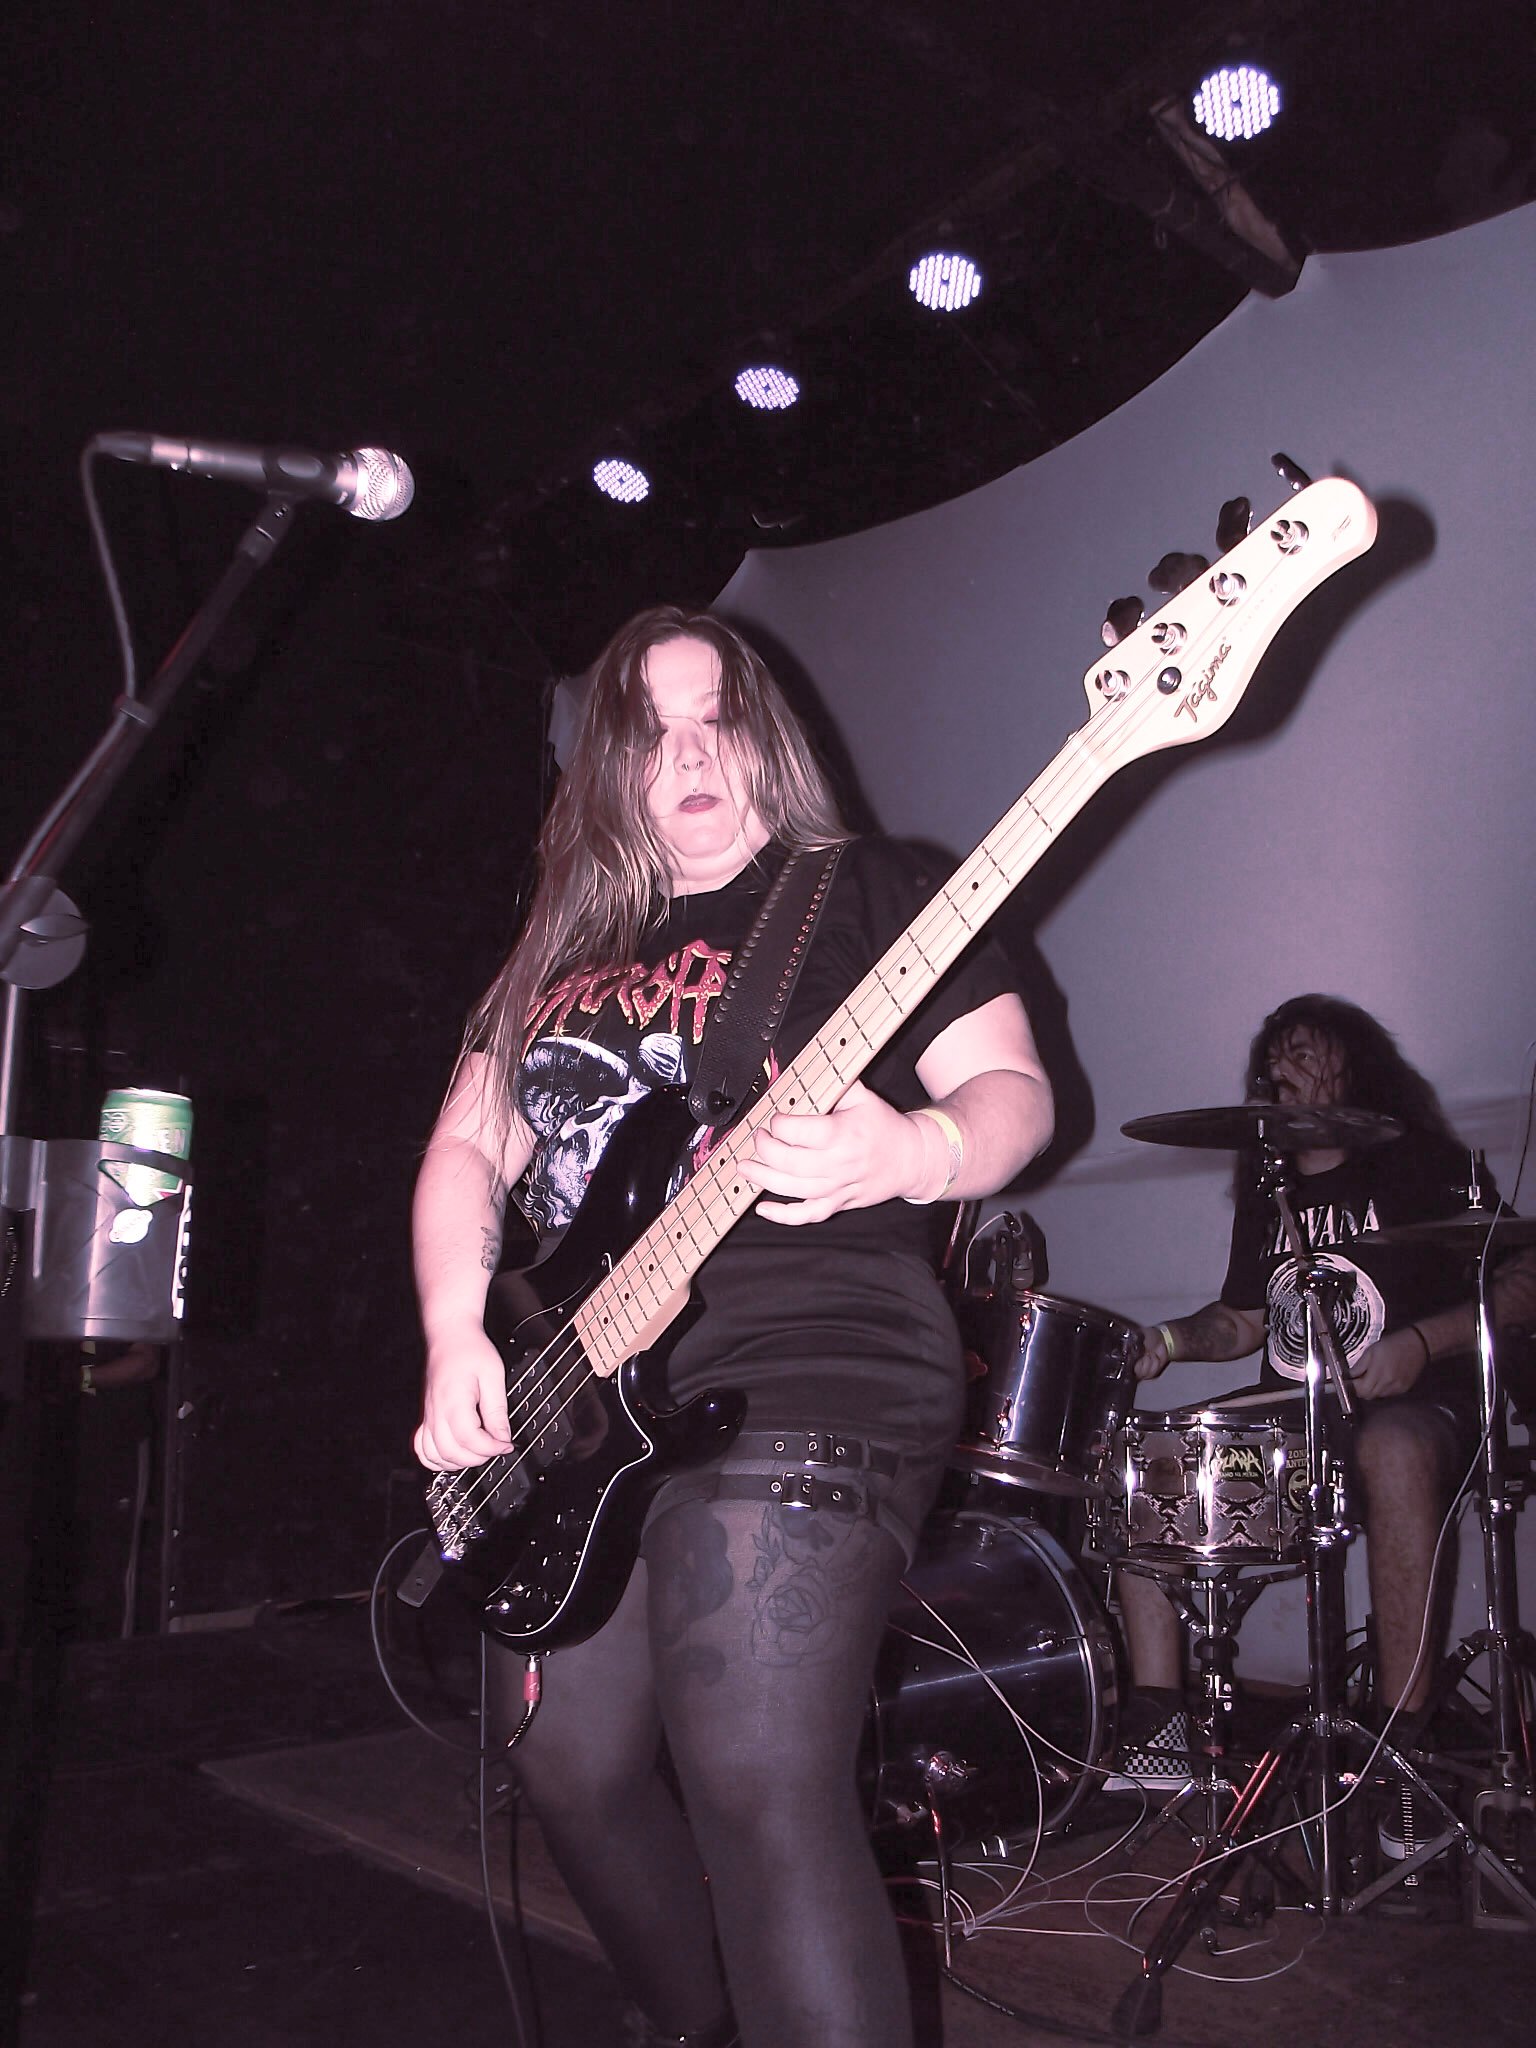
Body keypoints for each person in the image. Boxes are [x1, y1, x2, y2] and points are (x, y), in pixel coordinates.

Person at [411, 606, 1054, 2048]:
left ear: (769, 738)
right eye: (655, 734)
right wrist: (458, 1327)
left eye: (718, 720)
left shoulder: (874, 887)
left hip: (812, 1352)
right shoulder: (561, 945)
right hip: (586, 1392)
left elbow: (1014, 1089)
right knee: (565, 1761)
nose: (691, 754)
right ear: (609, 768)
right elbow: (466, 1147)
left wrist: (919, 1150)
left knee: (757, 1775)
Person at [1112, 995, 1536, 1797]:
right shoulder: (1269, 1193)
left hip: (1420, 1409)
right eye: (1272, 1060)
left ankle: (1401, 1746)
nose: (1280, 1072)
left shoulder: (1423, 1165)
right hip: (1299, 1421)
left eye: (1303, 1054)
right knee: (1155, 1450)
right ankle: (1161, 1727)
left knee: (1390, 1445)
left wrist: (1421, 1343)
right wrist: (1164, 1341)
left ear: (1355, 1066)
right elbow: (1241, 1321)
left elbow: (1527, 1275)